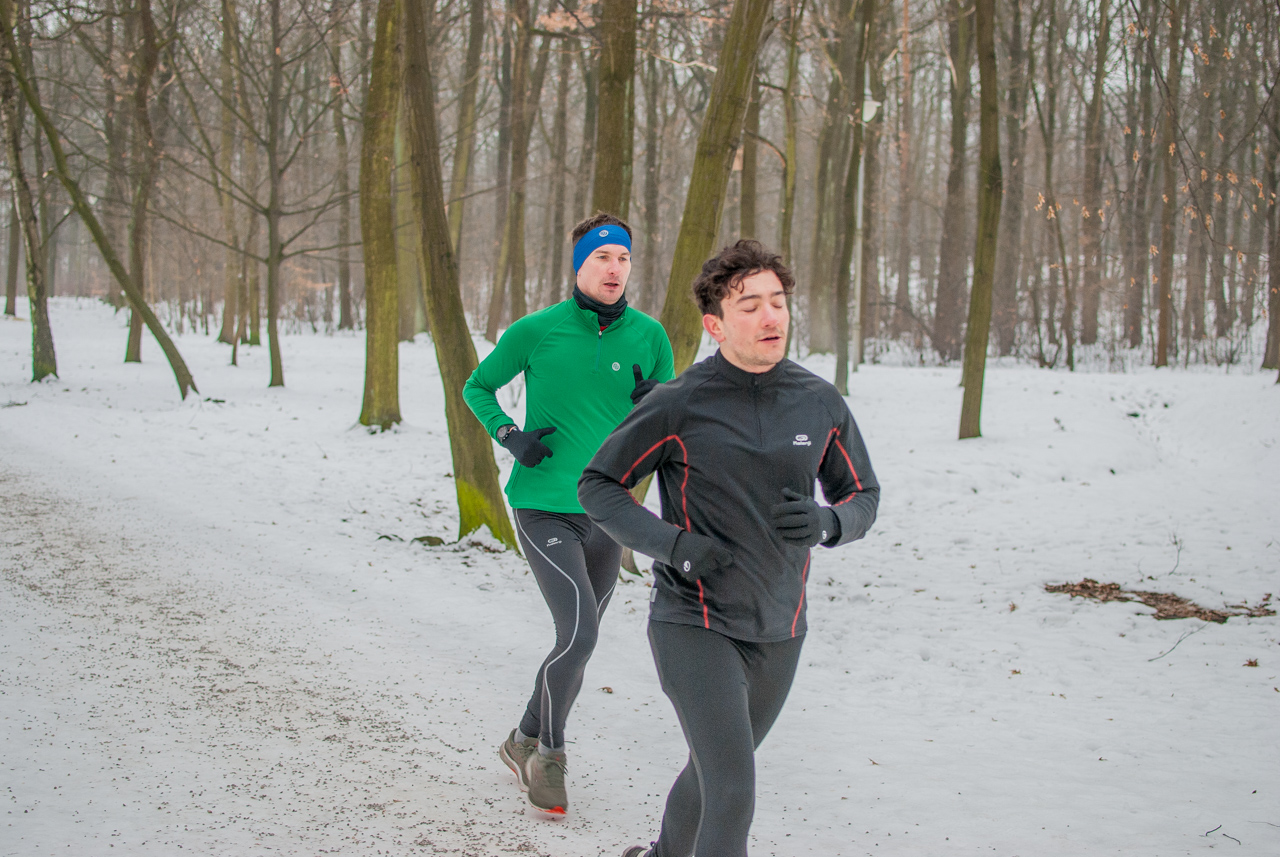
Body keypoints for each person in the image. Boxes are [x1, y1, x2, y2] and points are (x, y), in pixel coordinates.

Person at [577, 239, 880, 857]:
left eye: (778, 302)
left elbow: (863, 495)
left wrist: (829, 524)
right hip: (695, 622)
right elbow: (598, 486)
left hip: (780, 627)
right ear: (715, 324)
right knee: (734, 787)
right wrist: (674, 546)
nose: (771, 317)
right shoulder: (679, 402)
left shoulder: (818, 400)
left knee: (711, 774)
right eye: (750, 306)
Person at [463, 213, 675, 815]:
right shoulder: (538, 330)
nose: (614, 269)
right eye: (602, 258)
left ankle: (520, 738)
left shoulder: (650, 336)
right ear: (580, 265)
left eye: (623, 259)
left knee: (578, 638)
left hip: (612, 510)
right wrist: (510, 434)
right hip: (544, 504)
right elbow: (476, 386)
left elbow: (670, 419)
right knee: (579, 632)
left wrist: (654, 406)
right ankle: (548, 757)